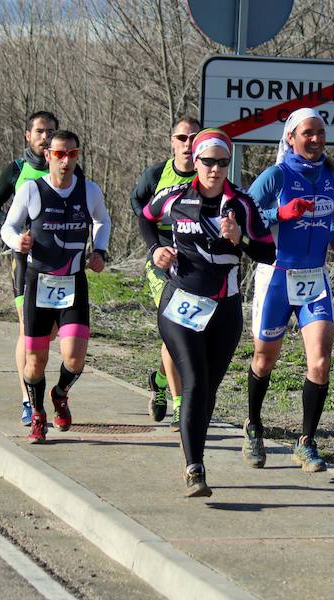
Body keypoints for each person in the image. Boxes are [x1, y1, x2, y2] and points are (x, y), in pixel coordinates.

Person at [139, 128, 275, 497]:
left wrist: (239, 240)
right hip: (180, 303)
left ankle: (193, 452)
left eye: (222, 162)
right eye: (208, 161)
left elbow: (268, 253)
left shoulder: (242, 205)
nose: (215, 169)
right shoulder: (175, 197)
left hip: (225, 308)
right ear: (195, 162)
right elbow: (146, 217)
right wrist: (156, 249)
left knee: (208, 390)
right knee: (195, 381)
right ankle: (194, 468)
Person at [242, 108, 334, 472]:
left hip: (314, 278)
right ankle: (254, 425)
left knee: (320, 362)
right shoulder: (276, 175)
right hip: (277, 275)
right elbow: (243, 213)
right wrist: (281, 215)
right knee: (264, 359)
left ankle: (306, 442)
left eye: (320, 132)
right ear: (291, 138)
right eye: (308, 133)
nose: (316, 139)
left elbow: (327, 217)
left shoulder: (331, 176)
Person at [0, 130, 111, 444]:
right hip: (39, 281)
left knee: (75, 358)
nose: (65, 161)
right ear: (47, 155)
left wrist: (100, 250)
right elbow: (9, 225)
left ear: (77, 156)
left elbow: (103, 220)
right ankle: (37, 414)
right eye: (59, 154)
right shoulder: (32, 190)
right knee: (35, 361)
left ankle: (60, 393)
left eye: (72, 154)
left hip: (74, 280)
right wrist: (16, 241)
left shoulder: (88, 191)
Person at [0, 111, 61, 427]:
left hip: (58, 262)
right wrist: (12, 228)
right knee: (27, 330)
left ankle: (38, 385)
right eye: (40, 131)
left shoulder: (67, 165)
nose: (45, 137)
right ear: (28, 136)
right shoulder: (17, 169)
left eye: (51, 131)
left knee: (50, 332)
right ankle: (28, 399)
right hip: (25, 260)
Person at [130, 115, 201, 431]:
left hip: (196, 260)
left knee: (190, 332)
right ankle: (179, 404)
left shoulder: (208, 173)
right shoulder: (157, 174)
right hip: (161, 259)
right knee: (175, 323)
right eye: (181, 138)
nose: (187, 144)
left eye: (193, 138)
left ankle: (159, 379)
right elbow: (139, 207)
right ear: (172, 141)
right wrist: (154, 247)